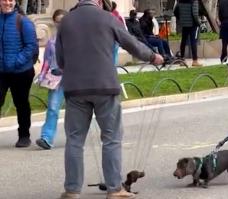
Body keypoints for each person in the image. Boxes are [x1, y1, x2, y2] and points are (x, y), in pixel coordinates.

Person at [55, 0, 163, 198]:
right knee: (111, 139)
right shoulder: (108, 18)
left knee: (75, 141)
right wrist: (152, 56)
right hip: (105, 87)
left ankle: (72, 190)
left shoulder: (66, 21)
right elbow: (130, 43)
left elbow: (60, 60)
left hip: (75, 90)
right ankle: (115, 189)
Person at [0, 0, 38, 147]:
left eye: (11, 0)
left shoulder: (24, 22)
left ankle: (24, 135)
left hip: (21, 71)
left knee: (21, 103)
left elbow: (31, 46)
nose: (8, 3)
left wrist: (17, 61)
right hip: (2, 72)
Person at [35, 9, 68, 150]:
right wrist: (42, 75)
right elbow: (47, 61)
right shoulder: (51, 42)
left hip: (74, 79)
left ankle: (75, 137)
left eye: (62, 21)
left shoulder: (78, 39)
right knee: (53, 108)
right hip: (55, 79)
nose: (60, 24)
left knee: (76, 110)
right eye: (57, 21)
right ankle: (46, 138)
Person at [174, 0, 202, 67]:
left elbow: (175, 11)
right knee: (193, 42)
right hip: (193, 24)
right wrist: (199, 23)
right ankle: (195, 60)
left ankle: (182, 60)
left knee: (183, 41)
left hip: (184, 24)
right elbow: (195, 14)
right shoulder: (194, 1)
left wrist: (180, 18)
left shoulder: (180, 1)